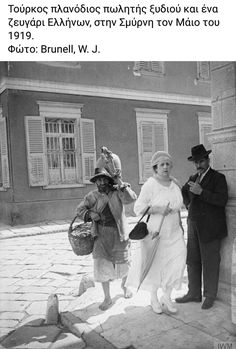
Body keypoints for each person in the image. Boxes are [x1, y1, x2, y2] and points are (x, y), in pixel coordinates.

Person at [125, 151, 186, 314]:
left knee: (177, 262)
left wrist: (180, 225)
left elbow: (179, 207)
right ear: (155, 168)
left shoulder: (175, 184)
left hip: (174, 231)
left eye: (168, 164)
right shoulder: (150, 184)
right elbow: (138, 208)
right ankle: (153, 298)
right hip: (155, 232)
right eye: (161, 164)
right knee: (156, 265)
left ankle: (167, 296)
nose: (165, 167)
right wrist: (158, 209)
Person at [76, 163, 137, 311]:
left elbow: (131, 198)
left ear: (109, 180)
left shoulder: (118, 191)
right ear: (95, 182)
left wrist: (120, 182)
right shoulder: (92, 196)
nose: (101, 183)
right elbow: (79, 210)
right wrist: (90, 214)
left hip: (119, 233)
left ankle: (125, 287)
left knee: (123, 262)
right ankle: (107, 297)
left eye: (104, 179)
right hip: (101, 235)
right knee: (101, 264)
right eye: (98, 180)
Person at [175, 144, 228, 310]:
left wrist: (201, 192)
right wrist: (188, 204)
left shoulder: (218, 178)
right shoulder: (193, 177)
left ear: (208, 159)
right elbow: (183, 191)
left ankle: (210, 295)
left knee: (210, 261)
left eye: (202, 161)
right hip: (193, 224)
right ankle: (194, 293)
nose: (199, 165)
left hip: (211, 227)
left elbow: (222, 200)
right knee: (192, 259)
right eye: (196, 162)